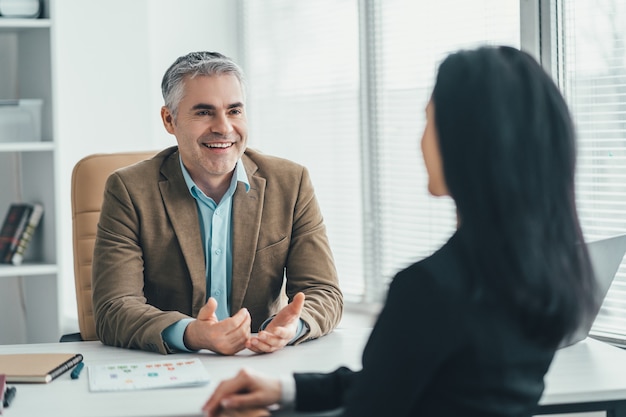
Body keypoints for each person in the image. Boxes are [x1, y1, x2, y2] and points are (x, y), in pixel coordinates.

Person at [202, 45, 598, 417]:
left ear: (467, 145)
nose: (419, 139)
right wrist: (285, 391)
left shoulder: (429, 289)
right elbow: (403, 383)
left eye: (429, 120)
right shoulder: (543, 276)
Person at [91, 51, 343, 356]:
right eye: (204, 112)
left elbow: (324, 293)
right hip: (172, 366)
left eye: (234, 111)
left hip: (259, 364)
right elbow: (114, 309)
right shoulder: (129, 190)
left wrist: (292, 326)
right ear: (169, 120)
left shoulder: (291, 183)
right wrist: (194, 334)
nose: (224, 128)